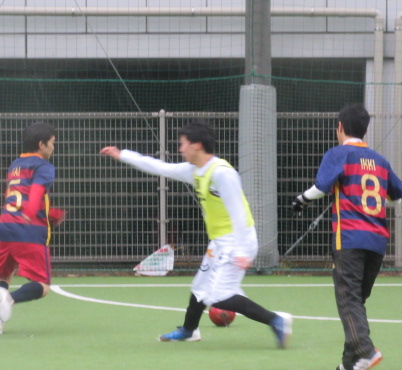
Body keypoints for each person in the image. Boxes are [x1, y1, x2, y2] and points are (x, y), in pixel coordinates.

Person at [100, 122, 292, 348]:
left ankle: (276, 320)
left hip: (237, 241)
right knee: (201, 287)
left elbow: (239, 212)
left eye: (183, 144)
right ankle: (189, 331)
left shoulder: (222, 174)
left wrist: (242, 251)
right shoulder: (195, 170)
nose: (180, 149)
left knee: (219, 296)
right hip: (221, 242)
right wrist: (122, 155)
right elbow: (160, 167)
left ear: (197, 145)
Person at [292, 104, 402, 370]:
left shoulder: (338, 153)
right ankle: (350, 359)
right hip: (377, 241)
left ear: (340, 127)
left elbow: (321, 187)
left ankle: (366, 351)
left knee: (347, 298)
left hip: (350, 238)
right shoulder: (380, 160)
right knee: (356, 299)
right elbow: (397, 194)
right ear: (365, 130)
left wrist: (301, 200)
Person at [0, 122, 66, 334]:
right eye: (52, 143)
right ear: (41, 144)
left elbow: (19, 196)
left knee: (3, 276)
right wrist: (31, 215)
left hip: (6, 225)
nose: (53, 147)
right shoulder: (44, 166)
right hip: (28, 229)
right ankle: (10, 299)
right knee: (43, 285)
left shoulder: (15, 165)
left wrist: (50, 213)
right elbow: (36, 192)